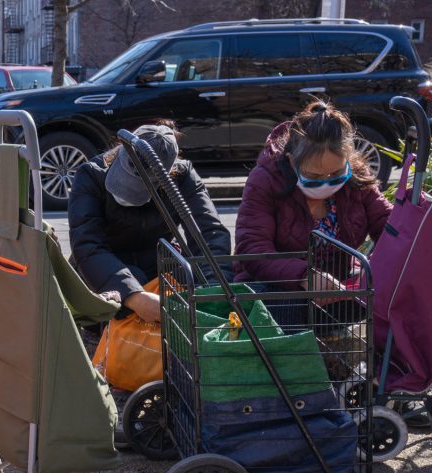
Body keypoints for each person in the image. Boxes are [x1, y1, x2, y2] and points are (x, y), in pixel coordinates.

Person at [69, 122, 231, 322]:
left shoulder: (183, 176)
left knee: (193, 277)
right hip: (100, 270)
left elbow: (210, 234)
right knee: (130, 285)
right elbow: (87, 246)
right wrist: (134, 296)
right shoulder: (91, 175)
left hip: (158, 266)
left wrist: (212, 290)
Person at [234, 101, 391, 291]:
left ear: (348, 161)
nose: (327, 182)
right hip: (275, 293)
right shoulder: (265, 180)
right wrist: (304, 276)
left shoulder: (358, 177)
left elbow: (389, 226)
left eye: (336, 174)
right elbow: (253, 249)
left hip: (338, 290)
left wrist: (379, 264)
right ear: (292, 162)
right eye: (314, 176)